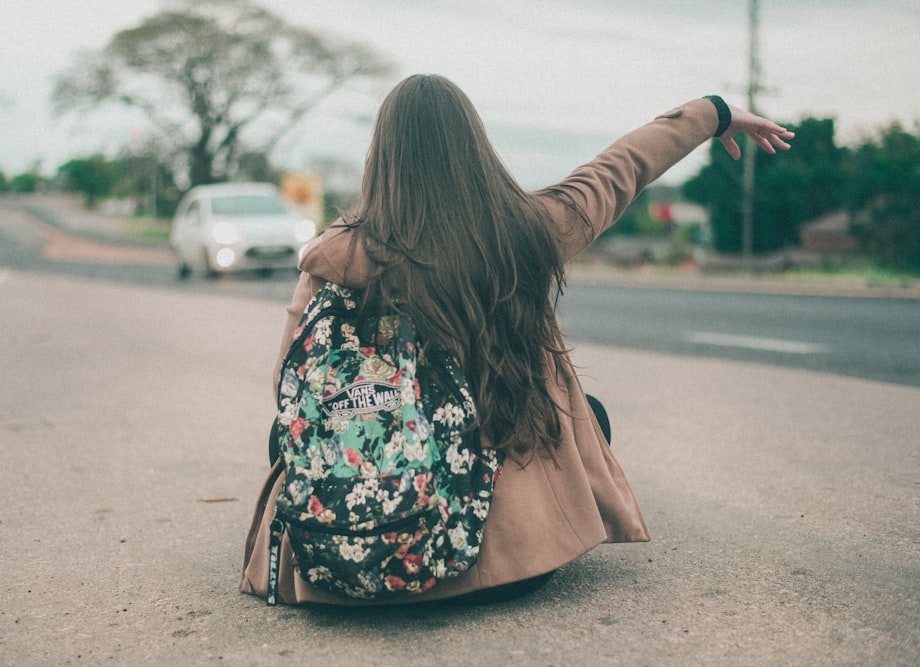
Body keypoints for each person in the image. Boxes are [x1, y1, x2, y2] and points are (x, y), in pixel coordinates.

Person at [240, 74, 794, 605]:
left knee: (284, 434)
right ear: (475, 151)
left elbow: (287, 387)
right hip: (514, 568)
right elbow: (621, 168)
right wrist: (712, 112)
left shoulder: (334, 260)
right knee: (590, 417)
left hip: (344, 571)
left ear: (381, 160)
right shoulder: (529, 231)